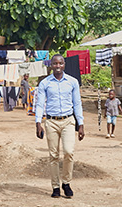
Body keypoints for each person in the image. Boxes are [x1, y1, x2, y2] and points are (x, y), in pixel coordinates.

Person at [35, 54, 85, 199]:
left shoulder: (72, 82)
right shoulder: (45, 83)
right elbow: (40, 104)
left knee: (69, 152)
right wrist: (38, 123)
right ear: (51, 65)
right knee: (53, 155)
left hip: (68, 121)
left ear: (64, 65)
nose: (58, 66)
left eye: (60, 63)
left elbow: (77, 104)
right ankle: (55, 186)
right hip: (51, 122)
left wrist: (81, 124)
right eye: (55, 63)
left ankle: (66, 182)